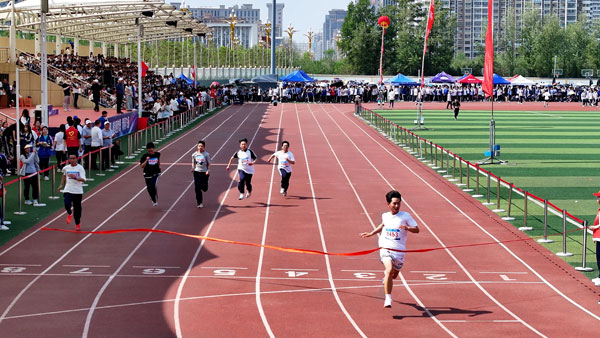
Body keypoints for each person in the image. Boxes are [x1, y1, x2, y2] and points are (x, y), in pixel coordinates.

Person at [360, 190, 419, 308]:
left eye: (398, 203)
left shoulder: (405, 216)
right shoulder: (385, 216)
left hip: (399, 251)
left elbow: (417, 229)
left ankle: (386, 280)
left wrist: (407, 228)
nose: (396, 206)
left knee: (394, 275)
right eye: (394, 203)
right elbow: (382, 225)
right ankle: (388, 298)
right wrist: (371, 233)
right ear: (388, 204)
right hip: (385, 247)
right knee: (389, 269)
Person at [57, 153, 86, 231]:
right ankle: (69, 213)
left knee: (77, 209)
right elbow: (64, 176)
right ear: (69, 159)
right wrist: (61, 185)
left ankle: (77, 223)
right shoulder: (66, 168)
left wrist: (75, 177)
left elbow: (83, 179)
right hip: (68, 189)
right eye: (71, 158)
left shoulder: (80, 168)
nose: (72, 160)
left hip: (77, 191)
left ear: (76, 159)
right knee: (67, 204)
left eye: (74, 158)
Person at [191, 140, 211, 208]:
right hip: (197, 172)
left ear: (204, 147)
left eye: (202, 146)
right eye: (199, 146)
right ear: (197, 147)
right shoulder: (194, 155)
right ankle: (199, 202)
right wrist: (193, 168)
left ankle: (206, 184)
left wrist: (208, 170)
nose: (200, 147)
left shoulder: (206, 154)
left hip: (204, 172)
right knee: (197, 187)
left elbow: (209, 163)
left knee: (204, 189)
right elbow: (193, 162)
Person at [589, 191, 600, 286]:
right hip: (598, 236)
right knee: (598, 257)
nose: (597, 199)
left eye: (598, 197)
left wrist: (595, 227)